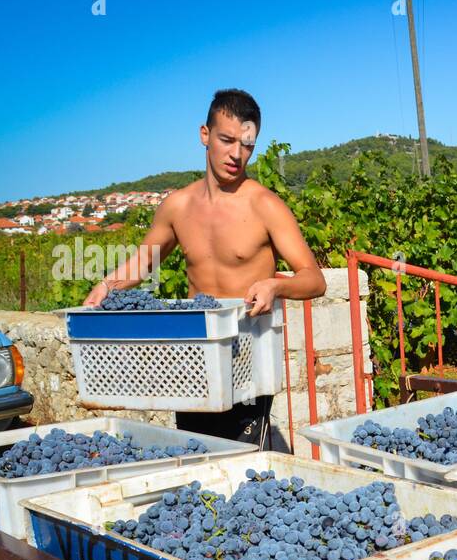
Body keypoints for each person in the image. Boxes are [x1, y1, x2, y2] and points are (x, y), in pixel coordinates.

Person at [84, 88, 325, 448]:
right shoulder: (177, 206)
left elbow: (314, 278)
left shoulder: (265, 205)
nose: (236, 154)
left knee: (244, 471)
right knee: (196, 464)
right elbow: (143, 261)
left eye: (247, 145)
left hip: (247, 363)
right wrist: (106, 285)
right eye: (227, 140)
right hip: (195, 362)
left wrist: (277, 286)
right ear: (205, 135)